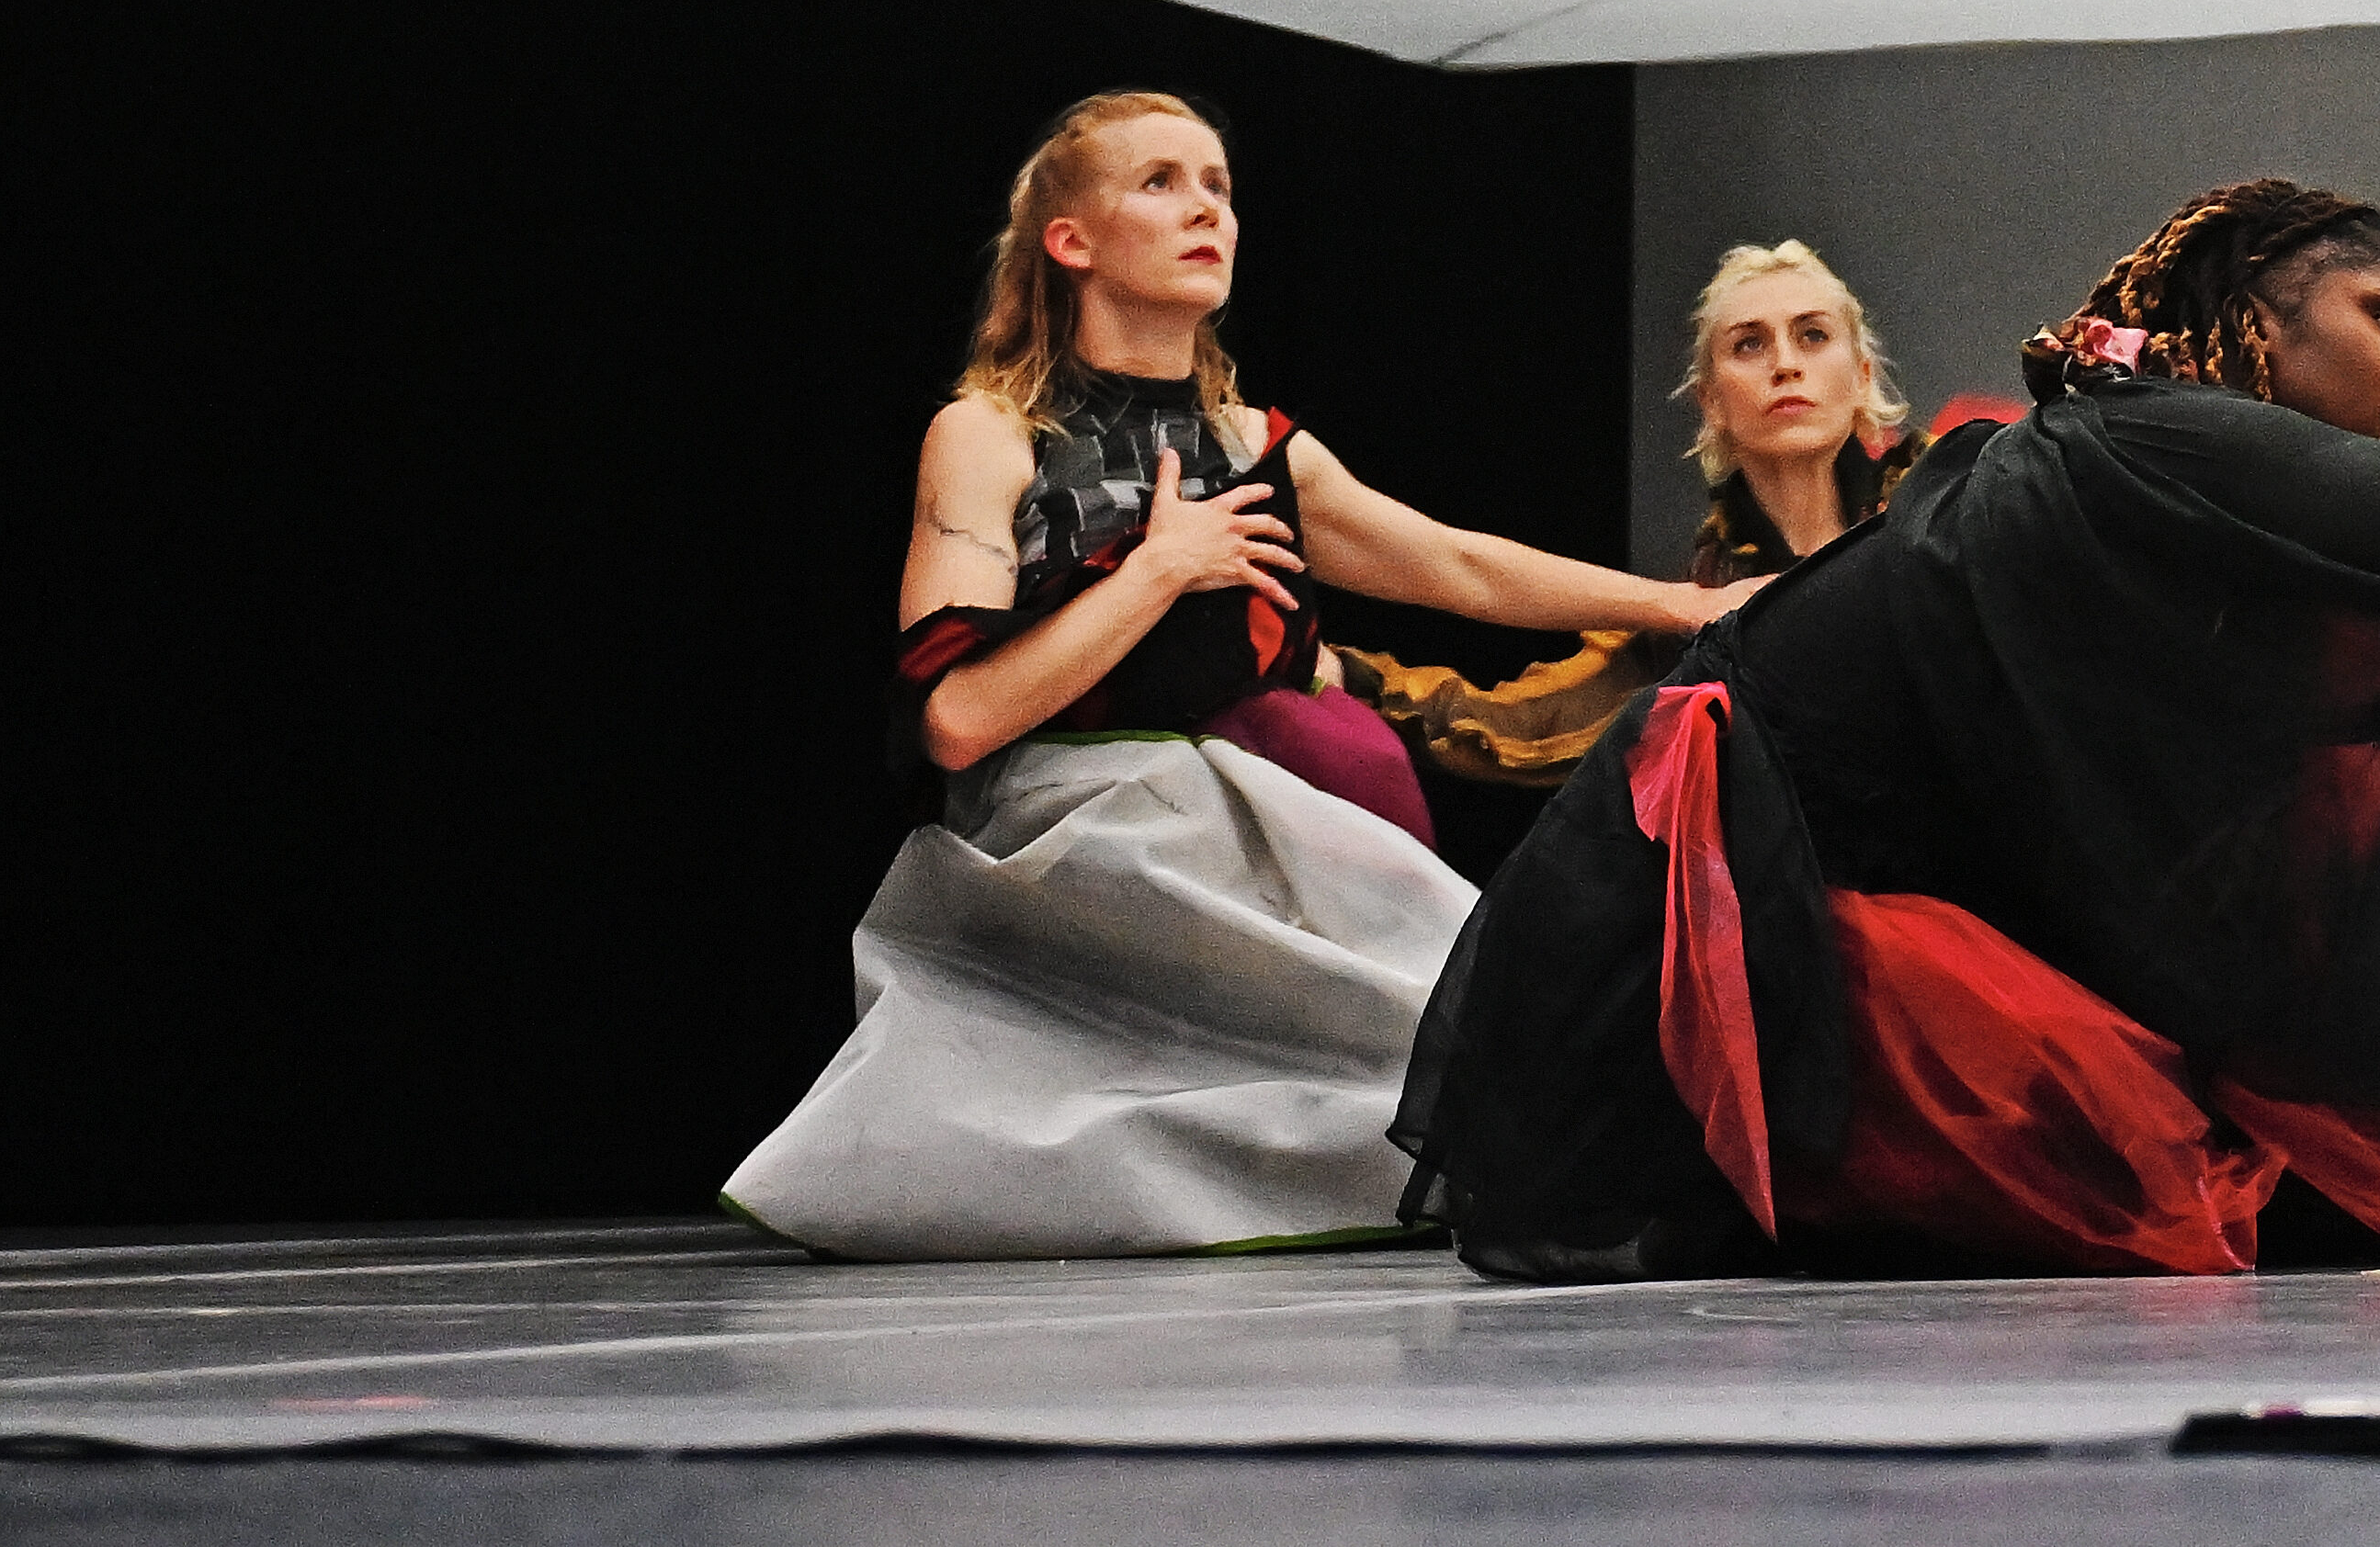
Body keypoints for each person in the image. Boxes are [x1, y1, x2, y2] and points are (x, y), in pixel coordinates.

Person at [1399, 178, 2380, 1278]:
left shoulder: (2173, 580)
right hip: (1682, 977)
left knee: (2276, 1107)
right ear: (2251, 322)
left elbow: (2336, 1020)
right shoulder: (2140, 441)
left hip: (1776, 967)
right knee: (2207, 1162)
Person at [722, 91, 1762, 1260]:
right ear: (1071, 240)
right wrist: (1157, 569)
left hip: (1246, 824)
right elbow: (958, 721)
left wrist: (1684, 603)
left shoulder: (1252, 445)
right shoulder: (988, 432)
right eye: (1160, 181)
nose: (1205, 207)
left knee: (1509, 1031)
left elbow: (1459, 566)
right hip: (1077, 832)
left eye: (1217, 184)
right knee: (1455, 1080)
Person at [1346, 243, 1946, 796]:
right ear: (1712, 401)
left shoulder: (1950, 508)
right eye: (1749, 344)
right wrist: (1346, 678)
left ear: (1862, 375)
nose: (1785, 364)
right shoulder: (1698, 614)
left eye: (1813, 335)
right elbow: (1526, 723)